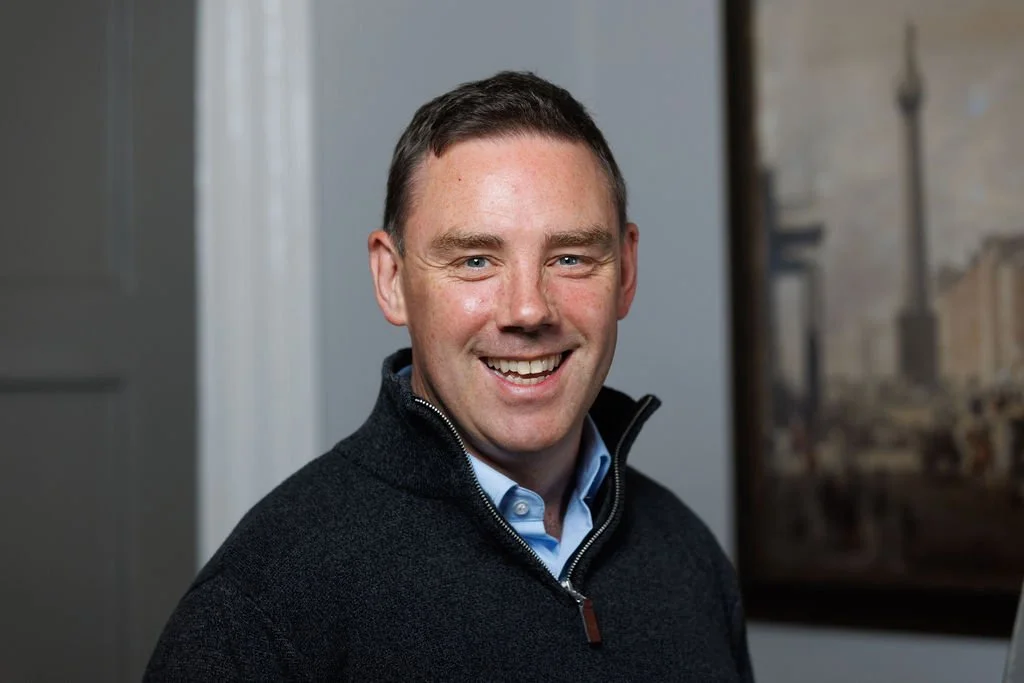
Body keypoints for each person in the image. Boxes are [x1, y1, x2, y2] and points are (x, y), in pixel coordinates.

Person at [145, 71, 754, 681]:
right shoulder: (260, 606)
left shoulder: (686, 554)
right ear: (392, 281)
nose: (528, 310)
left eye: (570, 256)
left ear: (624, 270)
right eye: (475, 260)